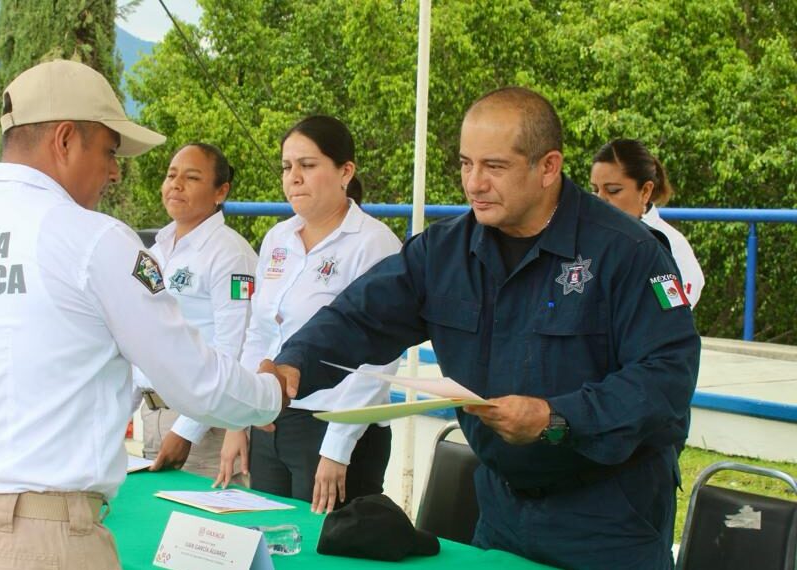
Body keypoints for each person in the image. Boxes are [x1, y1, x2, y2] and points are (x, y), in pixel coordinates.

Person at [266, 89, 700, 569]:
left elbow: (667, 376)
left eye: (494, 166)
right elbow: (358, 316)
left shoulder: (628, 251)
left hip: (608, 519)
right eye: (465, 163)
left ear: (548, 167)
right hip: (501, 511)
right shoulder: (445, 251)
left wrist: (556, 418)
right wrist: (293, 365)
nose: (474, 183)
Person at [0, 59, 294, 570]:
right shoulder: (93, 241)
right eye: (109, 150)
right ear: (64, 140)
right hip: (45, 541)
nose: (116, 170)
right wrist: (270, 394)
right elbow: (197, 381)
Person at [214, 116, 402, 515]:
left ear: (345, 171)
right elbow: (260, 333)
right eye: (287, 167)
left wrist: (338, 446)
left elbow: (380, 354)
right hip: (271, 422)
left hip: (337, 428)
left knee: (327, 551)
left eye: (308, 165)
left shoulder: (374, 243)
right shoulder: (277, 238)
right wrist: (243, 413)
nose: (294, 177)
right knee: (270, 540)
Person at [133, 143, 257, 479]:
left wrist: (187, 430)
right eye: (172, 175)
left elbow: (234, 350)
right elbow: (141, 338)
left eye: (191, 177)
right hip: (153, 416)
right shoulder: (155, 252)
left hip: (206, 429)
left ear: (221, 191)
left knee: (205, 531)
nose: (176, 184)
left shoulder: (230, 254)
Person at [590, 138, 705, 306]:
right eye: (595, 190)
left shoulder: (669, 246)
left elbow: (670, 316)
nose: (600, 200)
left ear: (645, 191)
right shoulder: (586, 236)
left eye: (613, 190)